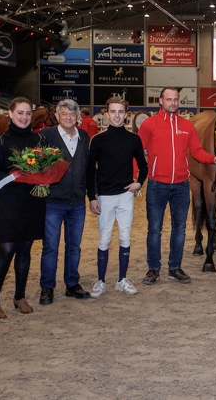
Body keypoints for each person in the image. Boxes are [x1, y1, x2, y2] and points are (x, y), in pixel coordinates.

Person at [138, 87, 216, 285]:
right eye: (169, 99)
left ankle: (175, 267)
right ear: (161, 101)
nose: (173, 103)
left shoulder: (187, 125)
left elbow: (196, 152)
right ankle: (153, 269)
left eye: (176, 99)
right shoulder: (149, 125)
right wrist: (135, 179)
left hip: (181, 186)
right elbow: (137, 152)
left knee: (179, 229)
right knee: (154, 229)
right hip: (157, 185)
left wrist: (213, 159)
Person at [0, 97, 46, 319]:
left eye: (27, 113)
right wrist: (13, 176)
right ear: (10, 114)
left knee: (25, 249)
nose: (24, 117)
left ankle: (19, 296)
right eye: (20, 113)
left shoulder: (38, 140)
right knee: (6, 249)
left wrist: (45, 178)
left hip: (31, 202)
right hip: (7, 202)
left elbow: (45, 168)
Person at [86, 97, 148, 297]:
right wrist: (92, 197)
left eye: (120, 112)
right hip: (104, 197)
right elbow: (89, 170)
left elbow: (144, 164)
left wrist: (139, 182)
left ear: (126, 114)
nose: (116, 115)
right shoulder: (98, 140)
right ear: (106, 114)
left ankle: (122, 279)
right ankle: (101, 281)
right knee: (104, 240)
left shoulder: (133, 139)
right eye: (113, 111)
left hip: (125, 196)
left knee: (124, 237)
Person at [38, 99, 91, 305]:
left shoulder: (84, 136)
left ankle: (72, 284)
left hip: (77, 202)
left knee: (74, 246)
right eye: (64, 114)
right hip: (53, 202)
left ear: (78, 117)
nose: (69, 118)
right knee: (50, 246)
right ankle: (47, 287)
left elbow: (87, 167)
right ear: (58, 116)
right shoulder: (46, 135)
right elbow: (37, 163)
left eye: (72, 115)